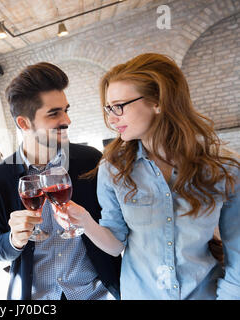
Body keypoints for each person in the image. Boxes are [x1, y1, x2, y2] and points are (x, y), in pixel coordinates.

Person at [59, 53, 240, 299]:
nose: (112, 119)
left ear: (158, 102)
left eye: (119, 107)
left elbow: (237, 250)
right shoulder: (113, 169)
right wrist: (85, 221)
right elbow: (115, 246)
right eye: (109, 108)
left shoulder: (222, 166)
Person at [0, 62, 121, 300]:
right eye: (54, 113)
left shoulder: (91, 161)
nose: (67, 119)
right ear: (24, 123)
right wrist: (14, 239)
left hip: (95, 292)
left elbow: (113, 230)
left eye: (66, 109)